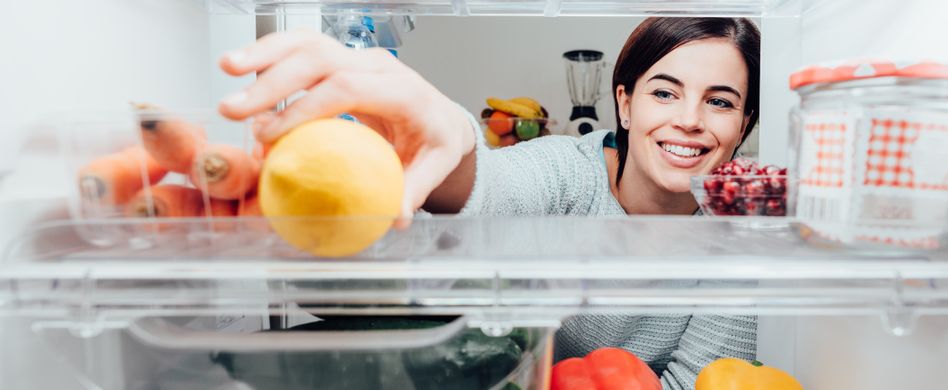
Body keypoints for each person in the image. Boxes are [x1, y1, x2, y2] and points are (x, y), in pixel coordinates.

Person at [218, 16, 759, 390]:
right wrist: (450, 138)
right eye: (664, 92)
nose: (689, 119)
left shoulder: (738, 237)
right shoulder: (569, 170)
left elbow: (702, 381)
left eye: (719, 101)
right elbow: (492, 188)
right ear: (624, 103)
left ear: (744, 126)